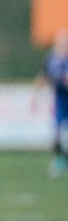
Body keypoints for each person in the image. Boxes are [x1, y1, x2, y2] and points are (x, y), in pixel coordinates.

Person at [34, 29, 68, 178]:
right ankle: (60, 160)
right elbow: (44, 76)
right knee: (56, 133)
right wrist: (36, 94)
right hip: (60, 100)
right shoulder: (51, 57)